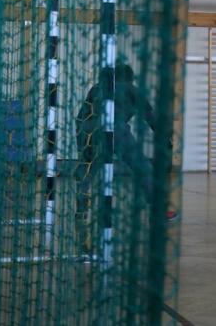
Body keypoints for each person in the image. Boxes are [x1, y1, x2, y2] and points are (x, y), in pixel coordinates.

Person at [75, 63, 176, 254]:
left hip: (90, 132)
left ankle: (81, 211)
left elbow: (80, 117)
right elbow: (151, 118)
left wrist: (82, 146)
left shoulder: (95, 89)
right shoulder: (132, 90)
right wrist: (167, 140)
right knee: (143, 168)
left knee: (86, 173)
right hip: (117, 132)